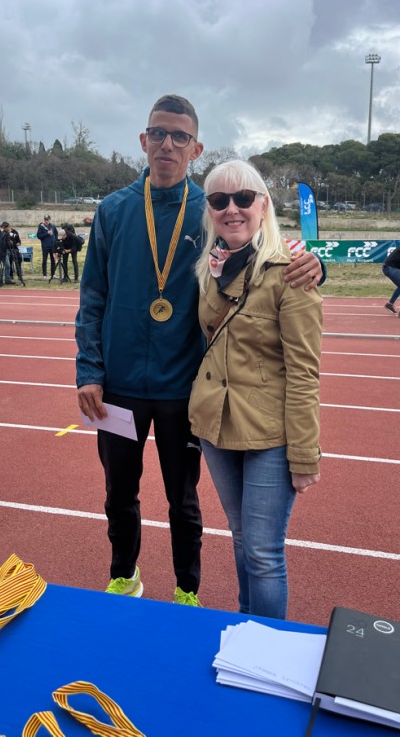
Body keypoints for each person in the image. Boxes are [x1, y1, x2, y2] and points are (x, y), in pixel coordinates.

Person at [75, 94, 325, 607]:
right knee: (118, 494)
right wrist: (89, 369)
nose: (168, 144)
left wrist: (319, 265)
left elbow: (264, 255)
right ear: (143, 142)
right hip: (117, 385)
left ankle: (187, 588)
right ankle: (124, 574)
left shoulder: (210, 210)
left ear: (196, 148)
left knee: (183, 500)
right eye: (159, 134)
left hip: (183, 389)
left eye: (180, 137)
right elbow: (93, 296)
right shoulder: (114, 210)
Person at [187, 159, 322, 620]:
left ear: (263, 205)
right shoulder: (209, 269)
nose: (232, 209)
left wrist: (304, 455)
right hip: (216, 428)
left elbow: (304, 372)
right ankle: (247, 627)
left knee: (263, 553)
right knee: (241, 537)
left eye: (244, 198)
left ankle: (268, 647)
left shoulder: (292, 273)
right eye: (219, 200)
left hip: (270, 433)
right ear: (209, 210)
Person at [1, 222, 26, 286]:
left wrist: (16, 244)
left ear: (8, 227)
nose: (4, 229)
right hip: (7, 249)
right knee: (9, 262)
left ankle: (19, 275)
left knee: (18, 262)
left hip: (15, 249)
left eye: (5, 227)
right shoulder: (3, 233)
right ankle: (10, 276)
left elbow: (18, 241)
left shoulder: (15, 232)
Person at [37, 214, 58, 279]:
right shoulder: (41, 227)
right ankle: (44, 275)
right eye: (45, 219)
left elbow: (56, 233)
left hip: (52, 246)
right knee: (44, 260)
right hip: (45, 246)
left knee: (53, 260)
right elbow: (39, 236)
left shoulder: (52, 226)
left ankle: (53, 274)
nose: (46, 221)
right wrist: (47, 233)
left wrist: (55, 241)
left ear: (49, 219)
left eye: (47, 219)